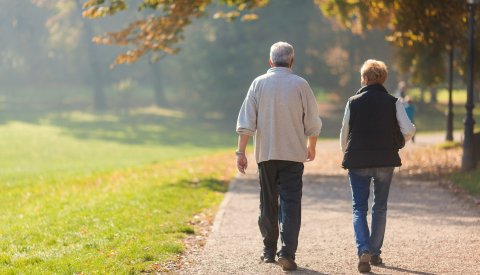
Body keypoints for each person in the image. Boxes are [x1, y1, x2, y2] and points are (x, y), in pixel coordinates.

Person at [236, 41, 322, 271]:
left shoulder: (258, 84)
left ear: (270, 61)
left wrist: (241, 152)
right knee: (291, 204)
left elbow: (246, 123)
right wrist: (311, 146)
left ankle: (268, 250)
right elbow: (313, 122)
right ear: (292, 61)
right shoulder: (301, 85)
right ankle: (287, 252)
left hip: (266, 155)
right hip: (293, 155)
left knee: (268, 203)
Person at [340, 59, 415, 273]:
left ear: (364, 78)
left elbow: (344, 133)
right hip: (385, 160)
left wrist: (346, 152)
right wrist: (399, 141)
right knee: (380, 207)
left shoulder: (353, 101)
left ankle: (363, 248)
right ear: (383, 78)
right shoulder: (393, 102)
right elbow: (408, 130)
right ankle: (375, 253)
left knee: (359, 208)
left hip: (358, 160)